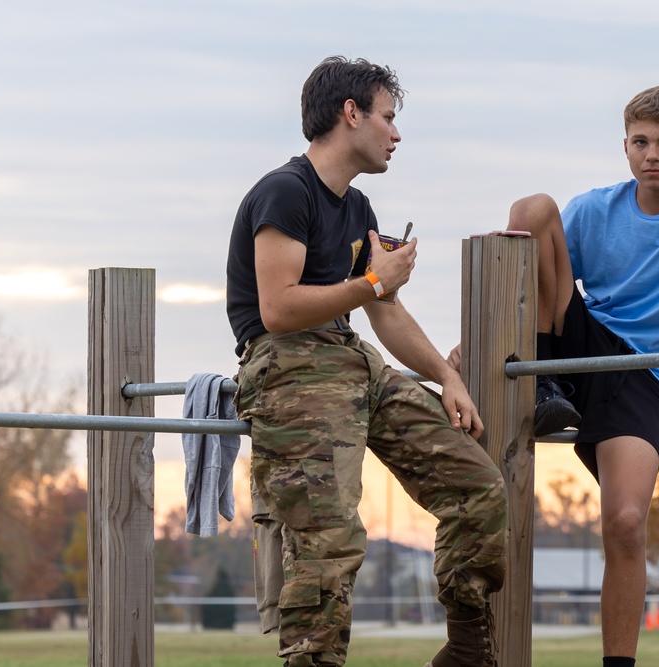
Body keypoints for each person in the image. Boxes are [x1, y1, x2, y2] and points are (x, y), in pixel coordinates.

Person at [226, 56, 507, 667]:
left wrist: (447, 376)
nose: (396, 134)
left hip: (352, 357)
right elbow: (277, 308)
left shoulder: (357, 208)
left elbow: (387, 313)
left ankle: (466, 653)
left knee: (478, 485)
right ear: (350, 114)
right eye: (388, 117)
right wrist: (372, 282)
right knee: (328, 539)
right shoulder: (285, 191)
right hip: (288, 364)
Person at [453, 85, 659, 666]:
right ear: (626, 146)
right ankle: (548, 383)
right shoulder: (595, 209)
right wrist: (474, 345)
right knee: (533, 209)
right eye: (640, 142)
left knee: (627, 519)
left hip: (646, 377)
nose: (652, 155)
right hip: (580, 347)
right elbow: (532, 278)